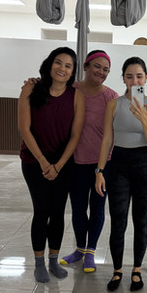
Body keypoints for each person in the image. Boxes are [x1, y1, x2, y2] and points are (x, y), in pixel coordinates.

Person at [95, 57, 147, 291]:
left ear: (146, 78)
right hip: (119, 166)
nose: (135, 81)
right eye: (130, 76)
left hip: (145, 166)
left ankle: (136, 269)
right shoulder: (114, 105)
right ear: (123, 78)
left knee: (140, 220)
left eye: (139, 76)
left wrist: (143, 116)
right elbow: (107, 140)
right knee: (118, 220)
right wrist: (99, 170)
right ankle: (117, 270)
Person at [18, 47, 85, 283]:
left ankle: (53, 261)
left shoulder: (76, 96)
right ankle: (39, 263)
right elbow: (25, 129)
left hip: (63, 164)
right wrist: (44, 162)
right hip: (34, 162)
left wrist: (58, 165)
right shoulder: (30, 89)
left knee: (58, 212)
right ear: (50, 64)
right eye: (58, 62)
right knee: (41, 210)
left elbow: (75, 135)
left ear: (72, 72)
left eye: (68, 66)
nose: (62, 68)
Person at [59, 50, 118, 272]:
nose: (101, 72)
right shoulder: (70, 90)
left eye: (106, 70)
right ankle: (79, 249)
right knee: (78, 208)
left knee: (97, 207)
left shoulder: (111, 97)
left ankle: (91, 251)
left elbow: (114, 132)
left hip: (103, 163)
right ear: (85, 66)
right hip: (75, 161)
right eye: (97, 67)